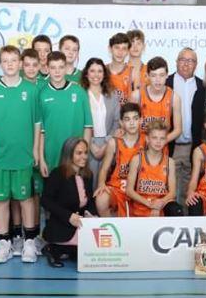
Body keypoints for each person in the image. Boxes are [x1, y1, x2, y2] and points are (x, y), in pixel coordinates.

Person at [0, 46, 41, 264]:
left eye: (13, 60)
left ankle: (28, 243)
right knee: (1, 201)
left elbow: (37, 123)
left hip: (23, 155)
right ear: (0, 63)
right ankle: (4, 243)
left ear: (20, 63)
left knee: (25, 199)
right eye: (5, 60)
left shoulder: (31, 89)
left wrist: (35, 149)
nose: (9, 64)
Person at [40, 137, 97, 268]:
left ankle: (64, 249)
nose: (84, 157)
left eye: (85, 152)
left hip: (80, 224)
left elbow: (89, 201)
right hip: (62, 224)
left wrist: (91, 214)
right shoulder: (57, 174)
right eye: (79, 153)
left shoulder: (88, 175)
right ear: (69, 154)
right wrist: (68, 216)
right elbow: (45, 200)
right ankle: (52, 249)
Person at [38, 52, 93, 178]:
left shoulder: (79, 92)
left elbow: (87, 126)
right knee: (53, 195)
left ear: (65, 68)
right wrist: (41, 159)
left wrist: (84, 154)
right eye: (53, 67)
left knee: (74, 194)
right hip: (51, 155)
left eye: (61, 67)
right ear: (47, 69)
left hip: (75, 156)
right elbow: (41, 131)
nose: (57, 71)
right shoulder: (42, 94)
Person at [125, 120, 183, 217]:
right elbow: (129, 191)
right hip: (141, 206)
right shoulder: (137, 160)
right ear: (147, 139)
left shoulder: (170, 162)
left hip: (161, 206)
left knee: (176, 209)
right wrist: (150, 204)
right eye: (154, 138)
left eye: (162, 138)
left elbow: (172, 192)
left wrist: (159, 204)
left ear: (166, 140)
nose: (158, 142)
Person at [94, 102, 144, 217]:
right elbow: (104, 168)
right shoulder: (114, 142)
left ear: (141, 120)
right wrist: (101, 184)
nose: (132, 123)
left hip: (139, 189)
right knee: (101, 199)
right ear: (121, 123)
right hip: (117, 188)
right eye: (127, 119)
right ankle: (111, 231)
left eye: (135, 118)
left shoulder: (147, 141)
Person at [167, 48, 203, 203]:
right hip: (171, 145)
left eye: (191, 61)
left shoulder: (202, 86)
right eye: (182, 59)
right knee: (170, 190)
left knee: (189, 191)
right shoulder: (166, 83)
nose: (186, 64)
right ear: (176, 62)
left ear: (196, 65)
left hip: (193, 147)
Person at [81, 58, 120, 188]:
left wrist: (106, 144)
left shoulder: (112, 95)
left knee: (104, 186)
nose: (96, 75)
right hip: (86, 144)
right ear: (86, 74)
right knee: (87, 185)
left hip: (108, 144)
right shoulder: (80, 94)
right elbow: (78, 123)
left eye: (99, 71)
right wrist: (90, 145)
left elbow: (117, 122)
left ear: (104, 74)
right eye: (92, 71)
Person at [129, 56, 183, 146]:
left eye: (161, 75)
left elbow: (178, 130)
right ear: (147, 76)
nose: (158, 80)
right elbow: (127, 124)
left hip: (161, 147)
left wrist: (159, 142)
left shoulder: (174, 98)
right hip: (138, 146)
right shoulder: (136, 96)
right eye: (154, 75)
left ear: (167, 75)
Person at [107, 33, 134, 105]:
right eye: (117, 47)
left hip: (125, 114)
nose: (120, 52)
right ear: (110, 49)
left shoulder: (132, 72)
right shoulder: (102, 71)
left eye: (124, 48)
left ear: (128, 52)